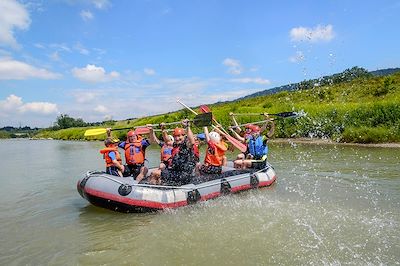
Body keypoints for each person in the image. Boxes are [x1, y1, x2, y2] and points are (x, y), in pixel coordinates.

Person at [149, 120, 197, 186]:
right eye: (175, 136)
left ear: (184, 136)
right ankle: (157, 189)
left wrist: (187, 126)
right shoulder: (175, 144)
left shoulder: (187, 144)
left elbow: (192, 142)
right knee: (154, 173)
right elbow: (167, 141)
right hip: (176, 172)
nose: (177, 138)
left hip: (184, 174)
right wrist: (163, 129)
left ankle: (153, 190)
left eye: (179, 136)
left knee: (155, 173)